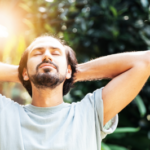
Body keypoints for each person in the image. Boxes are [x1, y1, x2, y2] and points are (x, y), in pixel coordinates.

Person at [0, 35, 150, 150]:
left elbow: (145, 61)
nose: (47, 56)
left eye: (56, 53)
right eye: (37, 53)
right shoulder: (6, 114)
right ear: (24, 72)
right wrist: (23, 73)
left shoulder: (89, 113)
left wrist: (71, 73)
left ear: (69, 70)